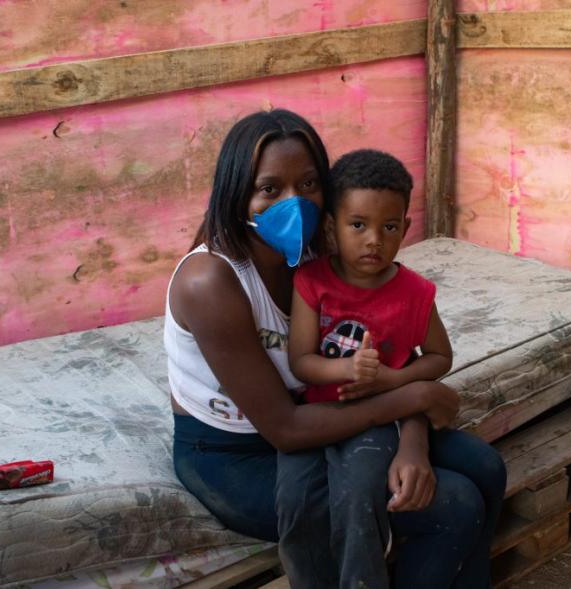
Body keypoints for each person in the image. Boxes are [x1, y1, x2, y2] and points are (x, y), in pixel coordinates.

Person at [165, 108, 505, 588]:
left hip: (327, 413)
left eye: (308, 185)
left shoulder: (318, 251)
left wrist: (414, 438)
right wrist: (413, 399)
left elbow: (391, 354)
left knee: (486, 467)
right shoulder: (211, 282)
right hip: (237, 452)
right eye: (270, 189)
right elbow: (285, 429)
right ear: (237, 193)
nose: (294, 202)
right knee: (454, 504)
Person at [277, 149, 458, 588]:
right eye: (358, 225)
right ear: (332, 227)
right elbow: (301, 363)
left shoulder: (415, 293)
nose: (374, 239)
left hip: (374, 423)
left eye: (389, 227)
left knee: (358, 501)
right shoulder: (312, 283)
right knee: (294, 504)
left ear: (405, 229)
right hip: (315, 417)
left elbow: (440, 357)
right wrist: (346, 370)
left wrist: (393, 379)